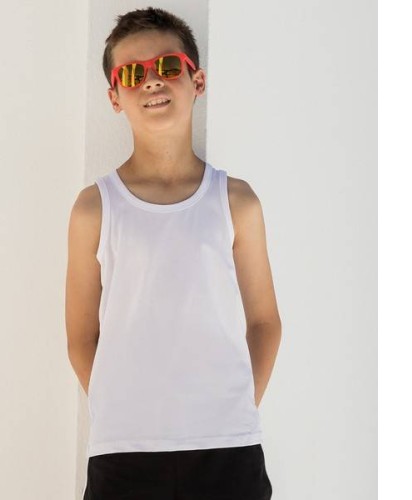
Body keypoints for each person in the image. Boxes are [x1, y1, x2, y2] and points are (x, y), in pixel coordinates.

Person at [65, 6, 282, 500]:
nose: (151, 81)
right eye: (131, 73)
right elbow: (81, 336)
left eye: (167, 66)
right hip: (124, 452)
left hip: (227, 449)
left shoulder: (236, 201)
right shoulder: (94, 208)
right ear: (114, 97)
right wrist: (122, 411)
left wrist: (235, 410)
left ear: (196, 80)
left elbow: (265, 322)